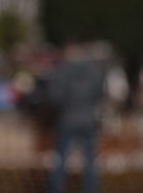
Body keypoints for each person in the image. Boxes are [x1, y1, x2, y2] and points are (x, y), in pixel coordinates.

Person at [46, 42, 107, 193]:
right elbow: (100, 94)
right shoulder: (94, 71)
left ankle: (56, 189)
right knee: (90, 161)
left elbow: (55, 98)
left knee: (61, 159)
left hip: (67, 120)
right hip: (88, 120)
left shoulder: (62, 71)